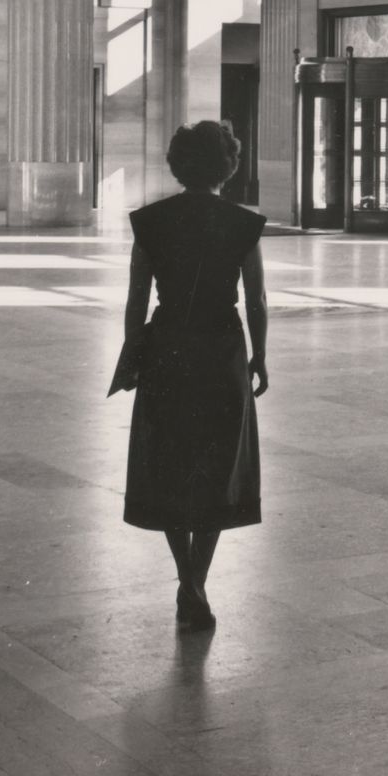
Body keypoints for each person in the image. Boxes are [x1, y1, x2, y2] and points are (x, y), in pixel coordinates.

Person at [107, 119, 269, 631]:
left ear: (179, 164)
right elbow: (257, 298)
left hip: (169, 346)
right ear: (228, 166)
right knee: (218, 465)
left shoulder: (151, 222)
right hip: (221, 348)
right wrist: (260, 354)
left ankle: (186, 578)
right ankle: (195, 582)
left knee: (171, 461)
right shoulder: (242, 224)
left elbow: (136, 298)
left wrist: (133, 352)